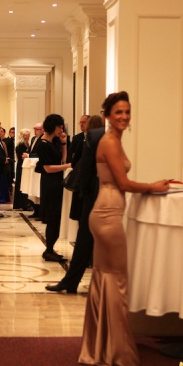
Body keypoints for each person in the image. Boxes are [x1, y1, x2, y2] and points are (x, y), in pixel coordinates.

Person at [79, 92, 168, 366]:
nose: (124, 117)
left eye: (127, 112)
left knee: (105, 280)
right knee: (116, 281)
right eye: (118, 112)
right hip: (107, 215)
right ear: (107, 115)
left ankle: (100, 348)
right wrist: (153, 187)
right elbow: (124, 183)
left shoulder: (113, 140)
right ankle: (116, 352)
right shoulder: (109, 142)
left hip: (106, 212)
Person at [46, 115, 105, 293]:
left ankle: (76, 282)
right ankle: (72, 282)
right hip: (95, 196)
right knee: (84, 241)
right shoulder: (98, 136)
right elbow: (85, 169)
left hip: (101, 196)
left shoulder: (100, 137)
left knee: (89, 242)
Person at [36, 114, 72, 261]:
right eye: (59, 127)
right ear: (52, 127)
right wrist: (68, 166)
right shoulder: (42, 144)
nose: (61, 130)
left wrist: (63, 143)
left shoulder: (54, 141)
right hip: (50, 184)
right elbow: (48, 168)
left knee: (56, 217)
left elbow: (62, 159)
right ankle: (49, 249)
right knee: (53, 217)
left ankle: (50, 249)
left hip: (56, 182)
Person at [67, 115, 91, 222]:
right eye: (80, 122)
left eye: (84, 122)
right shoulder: (77, 138)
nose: (81, 125)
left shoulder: (95, 137)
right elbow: (71, 155)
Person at [24, 123, 44, 219]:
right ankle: (35, 210)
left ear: (42, 130)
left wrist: (28, 156)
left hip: (38, 168)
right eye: (34, 129)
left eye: (37, 129)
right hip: (32, 167)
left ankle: (40, 212)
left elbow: (40, 153)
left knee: (37, 190)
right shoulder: (33, 139)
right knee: (32, 190)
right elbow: (31, 151)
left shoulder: (43, 139)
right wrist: (27, 154)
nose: (35, 131)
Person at [13, 128, 31, 210]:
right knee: (21, 184)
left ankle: (23, 203)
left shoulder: (26, 144)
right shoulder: (21, 145)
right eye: (28, 135)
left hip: (22, 165)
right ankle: (23, 204)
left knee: (22, 183)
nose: (29, 136)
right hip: (22, 165)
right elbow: (22, 157)